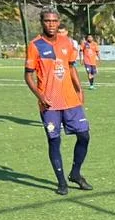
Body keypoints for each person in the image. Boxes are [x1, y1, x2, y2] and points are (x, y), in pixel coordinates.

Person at [24, 10, 91, 195]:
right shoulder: (35, 45)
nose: (51, 24)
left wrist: (79, 89)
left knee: (84, 135)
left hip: (70, 100)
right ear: (42, 22)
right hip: (50, 103)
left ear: (58, 22)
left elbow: (70, 68)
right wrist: (40, 96)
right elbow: (28, 75)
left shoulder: (67, 43)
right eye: (47, 21)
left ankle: (75, 174)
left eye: (54, 21)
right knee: (54, 141)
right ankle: (61, 182)